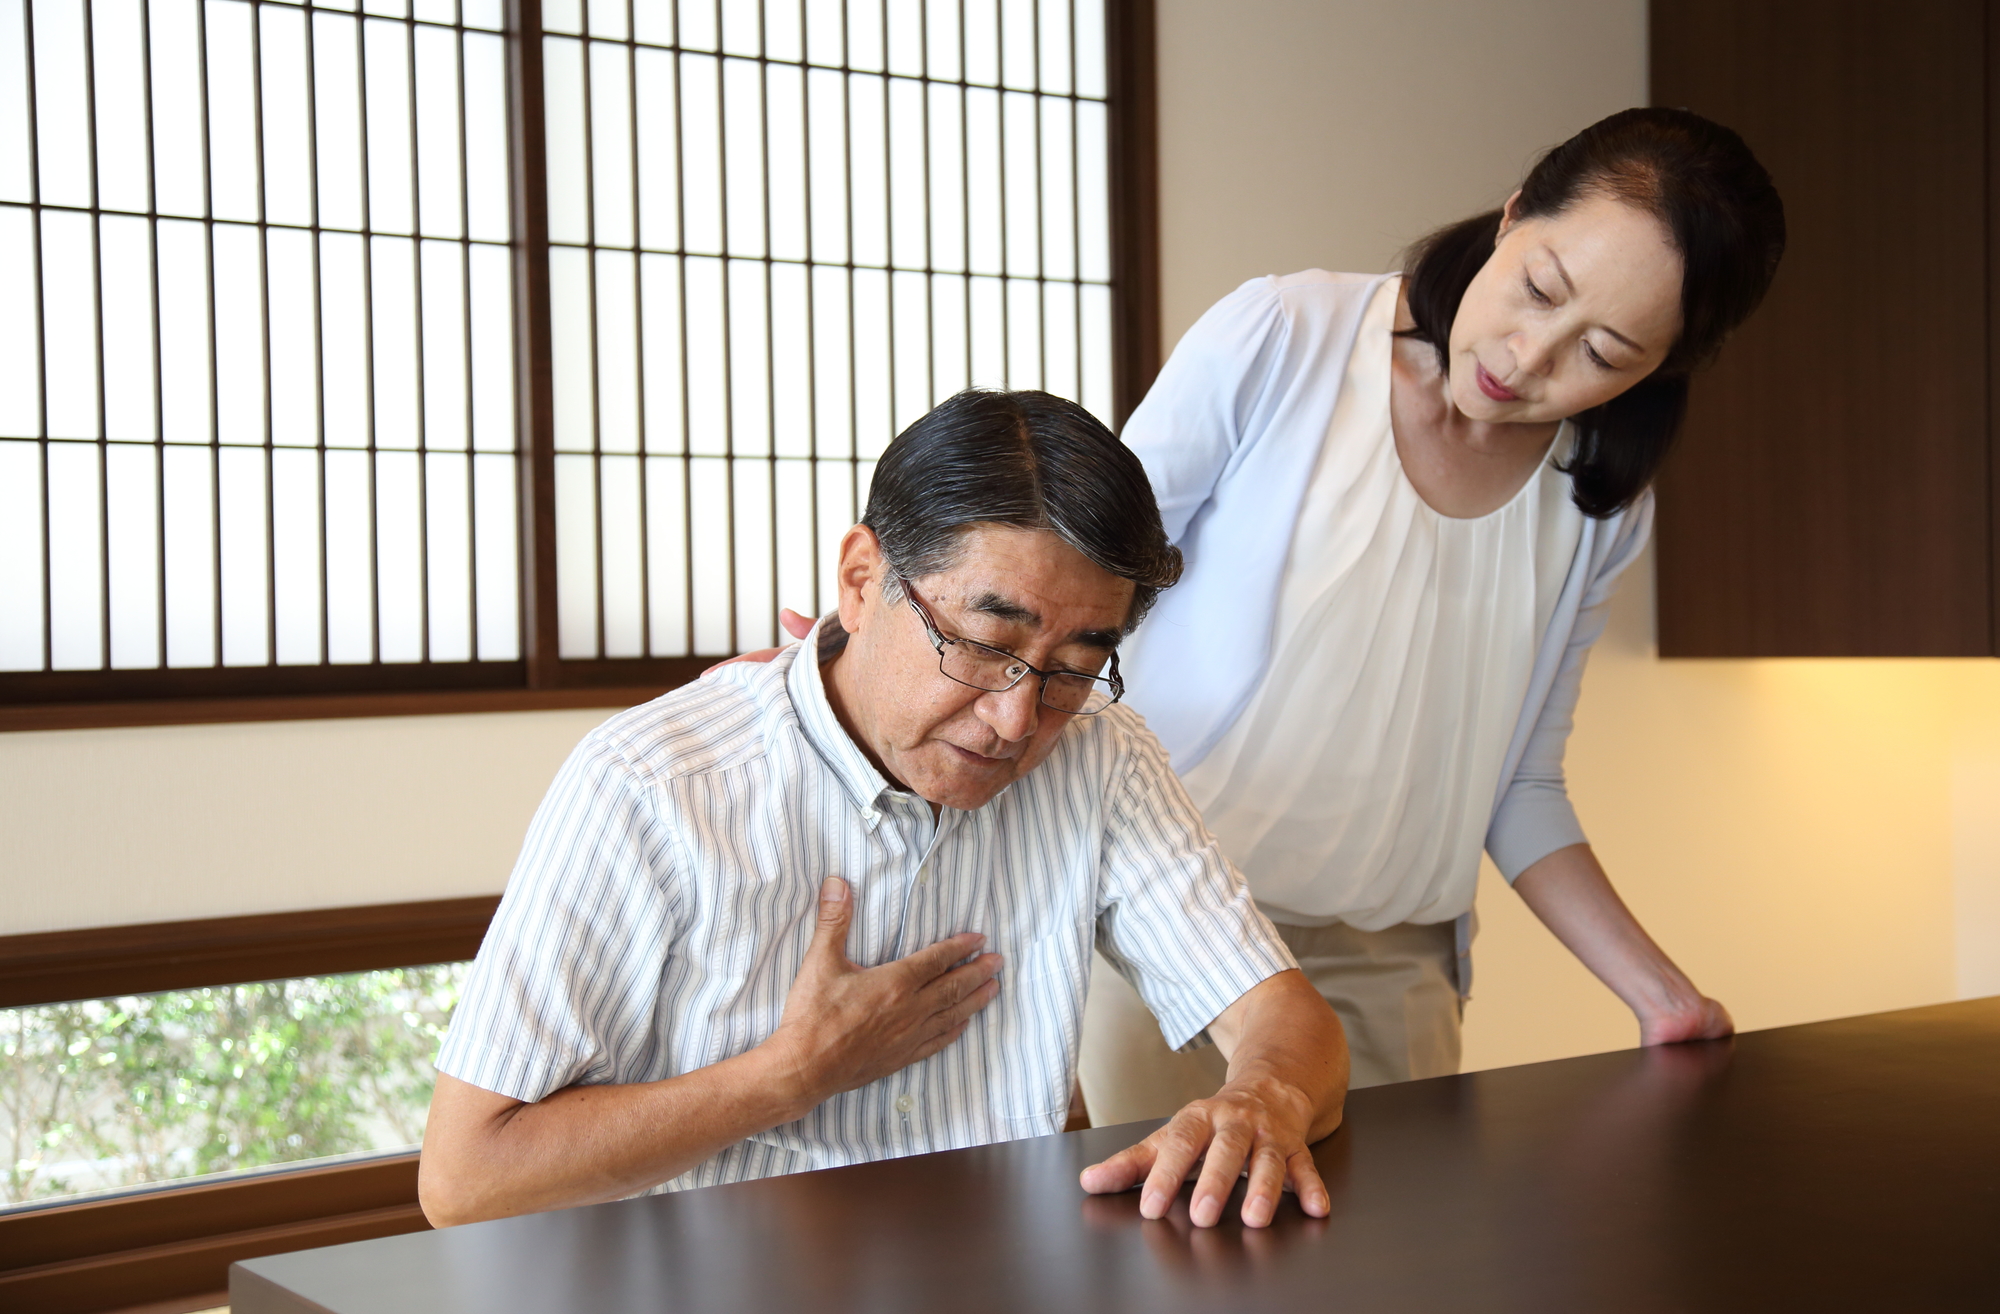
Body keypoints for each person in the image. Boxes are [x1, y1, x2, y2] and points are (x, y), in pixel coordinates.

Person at [419, 389, 1348, 1231]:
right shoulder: (657, 785)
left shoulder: (1099, 759)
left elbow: (1290, 1022)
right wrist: (788, 1076)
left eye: (1071, 670)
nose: (1015, 719)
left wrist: (1264, 1094)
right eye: (984, 646)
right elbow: (467, 1177)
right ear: (862, 580)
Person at [1079, 107, 1787, 1120]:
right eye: (1538, 288)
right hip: (1158, 930)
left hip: (1392, 967)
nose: (1529, 356)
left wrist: (1660, 995)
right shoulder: (1288, 337)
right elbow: (1071, 584)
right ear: (1509, 219)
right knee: (1152, 1266)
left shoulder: (1596, 500)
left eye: (1601, 349)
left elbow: (1520, 785)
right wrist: (865, 655)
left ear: (1657, 369)